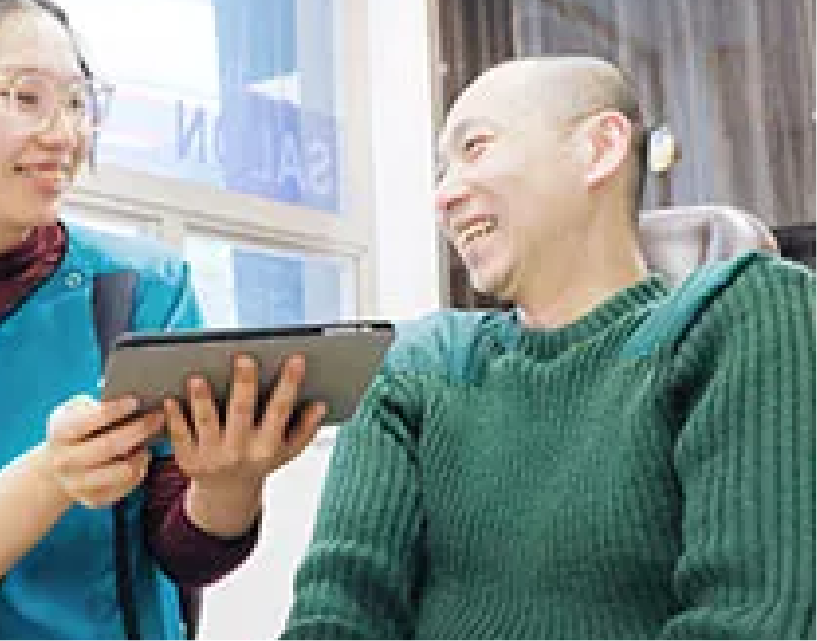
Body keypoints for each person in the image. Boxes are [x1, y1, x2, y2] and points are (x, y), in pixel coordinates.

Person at [279, 56, 817, 640]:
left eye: (475, 147)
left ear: (599, 148)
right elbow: (336, 611)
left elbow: (755, 618)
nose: (443, 195)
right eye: (442, 171)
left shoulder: (740, 313)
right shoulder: (416, 364)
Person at [0, 0, 326, 641]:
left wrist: (229, 487)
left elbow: (184, 555)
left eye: (78, 103)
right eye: (25, 97)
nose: (63, 134)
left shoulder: (142, 286)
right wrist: (51, 476)